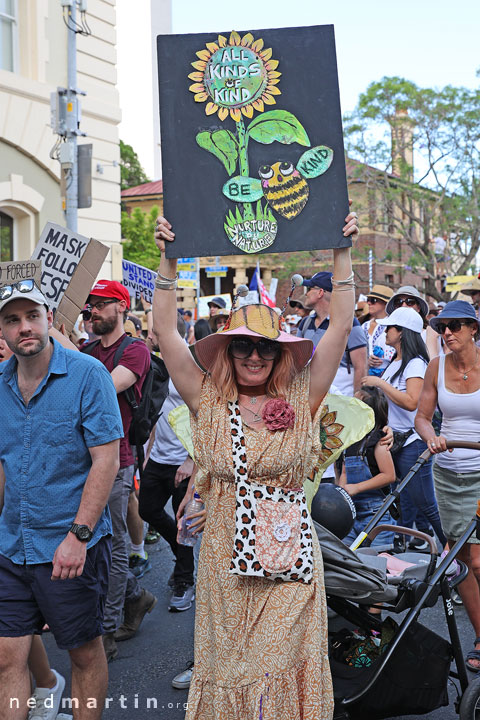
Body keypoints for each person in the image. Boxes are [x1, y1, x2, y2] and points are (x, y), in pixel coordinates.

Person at [153, 209, 358, 719]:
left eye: (264, 346)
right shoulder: (207, 399)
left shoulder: (302, 393)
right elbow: (165, 332)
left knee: (278, 664)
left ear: (279, 352)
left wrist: (342, 250)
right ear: (227, 349)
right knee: (232, 668)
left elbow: (341, 326)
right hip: (225, 559)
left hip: (289, 559)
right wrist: (167, 258)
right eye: (242, 345)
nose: (253, 355)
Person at [0, 281, 123, 720]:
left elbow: (105, 460)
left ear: (50, 319)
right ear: (3, 331)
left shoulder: (87, 374)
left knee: (84, 653)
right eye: (12, 320)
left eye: (31, 316)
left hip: (70, 544)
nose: (24, 327)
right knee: (6, 657)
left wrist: (78, 535)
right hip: (12, 547)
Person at [80, 280, 156, 662]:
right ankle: (135, 597)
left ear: (121, 308)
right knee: (93, 547)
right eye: (90, 305)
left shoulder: (136, 350)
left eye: (101, 304)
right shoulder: (88, 349)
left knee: (111, 549)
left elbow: (101, 389)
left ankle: (106, 630)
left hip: (116, 459)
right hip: (82, 462)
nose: (92, 310)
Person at [415, 300, 480, 671]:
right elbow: (423, 418)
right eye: (442, 327)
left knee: (478, 559)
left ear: (473, 328)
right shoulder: (435, 368)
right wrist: (431, 437)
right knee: (461, 562)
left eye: (455, 326)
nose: (448, 333)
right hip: (448, 471)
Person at [361, 307, 446, 549]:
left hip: (412, 443)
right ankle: (403, 547)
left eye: (390, 327)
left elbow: (411, 402)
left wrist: (379, 383)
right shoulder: (397, 361)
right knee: (405, 499)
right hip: (396, 441)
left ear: (402, 333)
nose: (385, 331)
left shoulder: (416, 364)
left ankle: (453, 551)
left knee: (425, 503)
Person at [139, 313, 196, 613]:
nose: (149, 335)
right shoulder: (154, 363)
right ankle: (180, 553)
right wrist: (148, 450)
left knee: (183, 525)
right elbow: (154, 411)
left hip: (182, 463)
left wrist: (190, 459)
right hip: (159, 458)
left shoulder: (189, 366)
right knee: (146, 509)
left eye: (153, 330)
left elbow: (203, 416)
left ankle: (184, 581)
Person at [339, 385, 396, 547]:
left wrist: (356, 487)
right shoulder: (349, 440)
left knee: (376, 561)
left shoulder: (379, 440)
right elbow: (343, 472)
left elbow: (389, 475)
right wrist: (342, 492)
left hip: (376, 514)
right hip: (351, 512)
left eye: (354, 405)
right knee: (345, 557)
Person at [298, 271, 367, 395]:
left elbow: (360, 367)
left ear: (320, 292)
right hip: (311, 397)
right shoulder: (305, 323)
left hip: (343, 400)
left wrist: (357, 400)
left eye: (309, 288)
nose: (306, 293)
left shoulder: (350, 323)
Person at [362, 285, 395, 375]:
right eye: (368, 300)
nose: (369, 303)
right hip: (364, 375)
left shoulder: (394, 325)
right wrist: (366, 360)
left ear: (386, 303)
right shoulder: (364, 326)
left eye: (373, 300)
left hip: (388, 376)